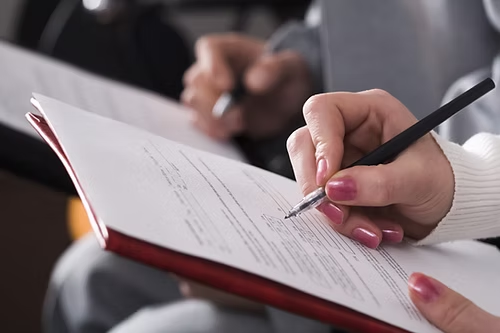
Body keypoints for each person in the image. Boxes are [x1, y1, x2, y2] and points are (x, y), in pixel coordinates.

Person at [44, 1, 500, 333]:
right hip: (413, 199)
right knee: (87, 276)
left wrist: (461, 180)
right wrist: (309, 67)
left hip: (466, 249)